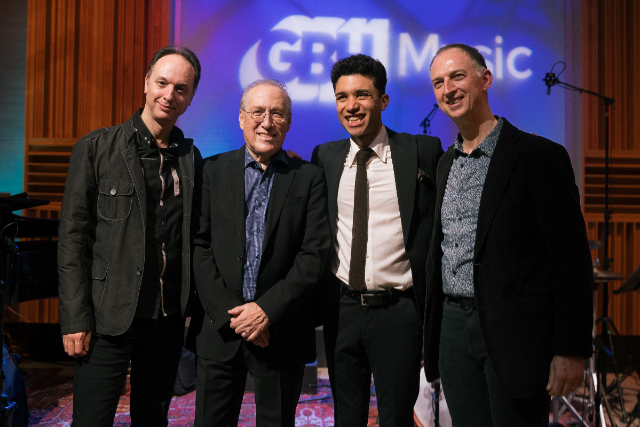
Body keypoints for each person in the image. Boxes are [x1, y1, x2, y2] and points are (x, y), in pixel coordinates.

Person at [423, 43, 593, 426]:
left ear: (485, 79)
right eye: (438, 82)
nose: (448, 89)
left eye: (457, 76)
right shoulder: (446, 163)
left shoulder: (538, 156)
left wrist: (570, 348)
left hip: (517, 334)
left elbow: (570, 260)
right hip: (453, 329)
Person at [57, 46, 202, 427]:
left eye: (181, 89)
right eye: (162, 83)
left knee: (152, 420)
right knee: (91, 420)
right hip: (107, 316)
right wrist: (74, 318)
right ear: (146, 83)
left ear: (190, 97)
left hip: (166, 319)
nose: (169, 95)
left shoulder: (190, 158)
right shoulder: (96, 148)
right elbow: (72, 240)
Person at [187, 79, 330, 427]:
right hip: (220, 330)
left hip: (281, 332)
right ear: (241, 118)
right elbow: (199, 246)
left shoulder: (309, 177)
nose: (267, 122)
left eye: (277, 113)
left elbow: (313, 255)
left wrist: (266, 311)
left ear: (288, 122)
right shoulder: (211, 171)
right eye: (258, 112)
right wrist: (235, 317)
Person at [311, 54, 444, 426]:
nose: (351, 106)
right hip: (342, 309)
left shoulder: (421, 151)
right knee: (346, 417)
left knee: (397, 417)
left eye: (362, 95)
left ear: (383, 100)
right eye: (342, 97)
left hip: (398, 312)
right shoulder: (325, 156)